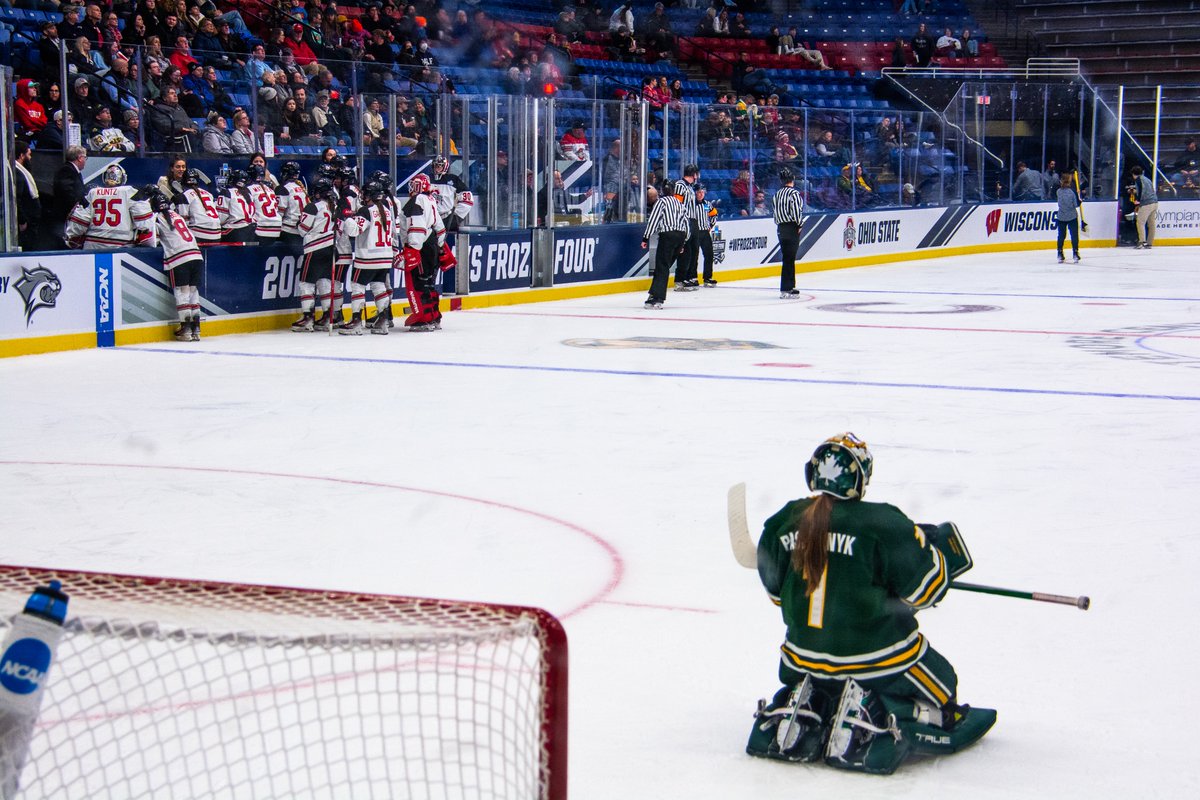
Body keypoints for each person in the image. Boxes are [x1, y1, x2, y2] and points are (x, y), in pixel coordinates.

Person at [747, 433, 991, 774]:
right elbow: (926, 592)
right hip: (876, 661)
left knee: (823, 662)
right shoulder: (884, 522)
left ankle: (819, 701)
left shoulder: (782, 519)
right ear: (861, 479)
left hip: (801, 659)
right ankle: (884, 711)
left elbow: (777, 594)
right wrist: (934, 551)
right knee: (944, 684)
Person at [143, 186, 205, 341]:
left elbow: (152, 241)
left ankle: (185, 329)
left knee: (182, 292)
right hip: (196, 255)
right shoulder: (177, 215)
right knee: (193, 292)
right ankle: (196, 329)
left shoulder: (156, 218)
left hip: (179, 257)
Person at [339, 180, 397, 336]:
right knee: (379, 285)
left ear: (370, 195)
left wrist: (346, 219)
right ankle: (383, 320)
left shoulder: (366, 210)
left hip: (367, 257)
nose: (362, 196)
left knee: (357, 286)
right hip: (385, 256)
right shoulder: (386, 210)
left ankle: (356, 321)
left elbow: (353, 231)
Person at [400, 173, 453, 332]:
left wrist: (412, 249)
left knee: (420, 282)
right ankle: (434, 316)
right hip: (432, 244)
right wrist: (439, 245)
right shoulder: (430, 200)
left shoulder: (416, 201)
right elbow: (440, 227)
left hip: (420, 246)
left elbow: (417, 226)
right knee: (429, 283)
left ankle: (423, 318)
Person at [66, 165, 154, 249]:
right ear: (122, 178)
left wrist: (72, 237)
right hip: (121, 246)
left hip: (93, 245)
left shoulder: (92, 192)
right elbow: (145, 224)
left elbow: (79, 222)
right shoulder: (130, 191)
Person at [292, 176, 340, 332]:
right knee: (324, 282)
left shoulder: (313, 207)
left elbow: (302, 229)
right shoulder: (334, 206)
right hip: (331, 248)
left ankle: (307, 318)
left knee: (306, 283)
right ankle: (327, 316)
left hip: (314, 249)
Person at [640, 190, 689, 309]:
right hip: (681, 236)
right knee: (664, 267)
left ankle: (657, 298)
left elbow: (653, 220)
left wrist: (645, 238)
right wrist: (683, 243)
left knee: (662, 266)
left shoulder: (661, 202)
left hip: (668, 235)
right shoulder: (679, 203)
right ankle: (654, 294)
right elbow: (686, 223)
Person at [49, 145, 89, 249]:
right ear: (80, 158)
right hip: (65, 216)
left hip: (70, 216)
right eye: (85, 158)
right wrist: (78, 207)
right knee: (63, 243)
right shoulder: (66, 170)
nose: (85, 160)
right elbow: (66, 192)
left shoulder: (72, 170)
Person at [774, 168, 804, 299]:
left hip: (781, 228)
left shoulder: (777, 194)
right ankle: (787, 287)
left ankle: (787, 286)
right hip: (792, 227)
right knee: (790, 259)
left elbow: (775, 214)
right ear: (792, 180)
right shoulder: (794, 193)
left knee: (786, 258)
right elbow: (797, 212)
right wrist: (799, 224)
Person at [672, 164, 702, 291]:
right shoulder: (680, 185)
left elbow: (690, 203)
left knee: (694, 249)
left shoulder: (690, 187)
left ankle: (690, 276)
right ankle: (680, 279)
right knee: (685, 250)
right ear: (694, 174)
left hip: (693, 220)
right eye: (697, 174)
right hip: (685, 220)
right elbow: (677, 203)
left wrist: (699, 200)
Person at [176, 168, 222, 246]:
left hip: (200, 235)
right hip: (217, 234)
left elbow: (184, 222)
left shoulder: (184, 195)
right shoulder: (208, 194)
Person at [12, 141, 43, 252]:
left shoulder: (21, 171)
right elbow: (17, 199)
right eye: (29, 154)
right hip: (26, 223)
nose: (30, 158)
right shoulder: (17, 173)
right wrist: (22, 220)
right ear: (21, 155)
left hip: (30, 221)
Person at [276, 161, 309, 254]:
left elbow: (279, 214)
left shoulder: (283, 188)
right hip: (301, 231)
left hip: (288, 231)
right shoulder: (301, 187)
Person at [216, 169, 256, 243]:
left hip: (235, 230)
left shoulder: (227, 192)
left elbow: (221, 217)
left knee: (214, 234)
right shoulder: (249, 194)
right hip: (250, 230)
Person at [247, 165, 282, 245]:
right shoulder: (270, 190)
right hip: (276, 228)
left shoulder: (248, 189)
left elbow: (248, 212)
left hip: (261, 228)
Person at [695, 183, 719, 287]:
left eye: (702, 192)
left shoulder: (707, 204)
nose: (700, 194)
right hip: (694, 233)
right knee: (693, 257)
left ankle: (707, 277)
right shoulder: (691, 204)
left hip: (705, 232)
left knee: (709, 254)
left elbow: (714, 215)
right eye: (698, 192)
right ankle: (692, 277)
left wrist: (711, 225)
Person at [1054, 174, 1082, 265]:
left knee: (1061, 235)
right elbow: (1076, 205)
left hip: (1061, 216)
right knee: (1074, 235)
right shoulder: (1072, 192)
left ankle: (1060, 253)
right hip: (1072, 216)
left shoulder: (1058, 191)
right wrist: (1080, 199)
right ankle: (1075, 253)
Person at [1130, 165, 1158, 249]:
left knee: (1140, 222)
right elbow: (1149, 189)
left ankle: (1141, 241)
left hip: (1146, 203)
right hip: (1154, 202)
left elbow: (1142, 190)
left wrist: (1137, 200)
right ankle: (1150, 243)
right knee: (1151, 223)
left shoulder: (1138, 180)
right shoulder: (1147, 179)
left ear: (1134, 174)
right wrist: (1134, 191)